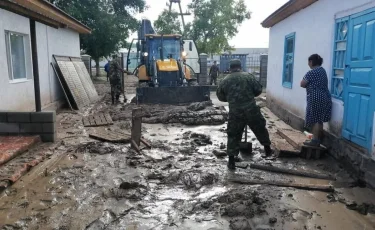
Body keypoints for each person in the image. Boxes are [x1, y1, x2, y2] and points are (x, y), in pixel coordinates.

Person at [216, 59, 273, 170]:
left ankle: (231, 161)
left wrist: (231, 98)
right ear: (240, 66)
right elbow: (258, 90)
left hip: (235, 111)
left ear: (230, 68)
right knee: (260, 128)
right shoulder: (249, 76)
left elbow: (220, 96)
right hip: (251, 109)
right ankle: (268, 150)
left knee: (233, 134)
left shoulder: (225, 80)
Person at [300, 54, 332, 146]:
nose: (308, 64)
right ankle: (317, 140)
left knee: (315, 120)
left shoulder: (312, 72)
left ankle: (315, 141)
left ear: (311, 62)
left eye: (308, 62)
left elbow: (302, 84)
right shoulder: (322, 71)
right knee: (319, 119)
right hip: (325, 96)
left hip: (315, 98)